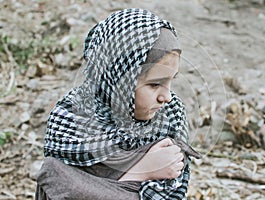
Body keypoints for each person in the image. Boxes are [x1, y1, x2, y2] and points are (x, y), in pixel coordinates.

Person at [35, 8, 200, 200]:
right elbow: (57, 184)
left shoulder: (169, 120)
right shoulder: (72, 121)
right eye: (155, 84)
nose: (167, 97)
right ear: (116, 80)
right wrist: (142, 171)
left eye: (171, 81)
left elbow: (167, 192)